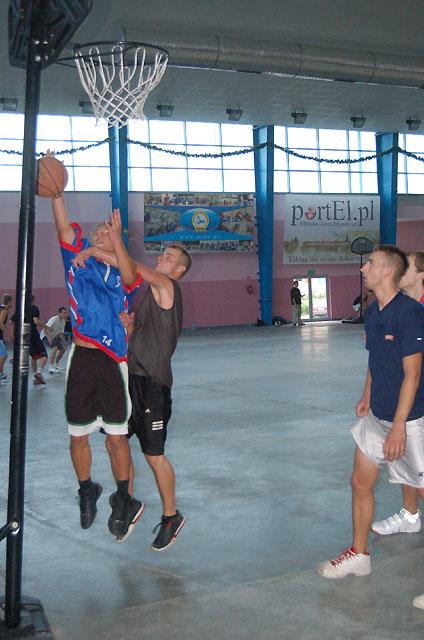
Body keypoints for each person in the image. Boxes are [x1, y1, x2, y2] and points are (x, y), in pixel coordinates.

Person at [73, 210, 191, 551]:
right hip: (130, 380)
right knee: (117, 442)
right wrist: (128, 330)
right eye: (162, 254)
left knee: (154, 455)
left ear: (179, 270)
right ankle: (128, 500)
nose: (162, 257)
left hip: (153, 386)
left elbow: (135, 270)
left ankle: (171, 516)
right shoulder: (148, 297)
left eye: (169, 257)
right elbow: (138, 338)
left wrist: (97, 249)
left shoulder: (167, 287)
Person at [318, 245, 424, 581]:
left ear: (388, 271)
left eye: (371, 263)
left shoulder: (409, 313)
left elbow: (413, 373)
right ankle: (359, 555)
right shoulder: (374, 310)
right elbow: (375, 359)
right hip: (377, 415)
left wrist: (398, 428)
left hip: (410, 422)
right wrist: (366, 395)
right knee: (360, 482)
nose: (364, 268)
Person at [51, 193, 143, 541]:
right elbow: (62, 224)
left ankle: (123, 496)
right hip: (83, 355)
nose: (103, 232)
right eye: (101, 230)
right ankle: (86, 489)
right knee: (77, 434)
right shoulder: (76, 256)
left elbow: (131, 271)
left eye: (109, 230)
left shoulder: (121, 268)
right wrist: (57, 194)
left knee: (117, 439)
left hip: (113, 358)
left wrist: (114, 243)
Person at [11, 295, 51, 386]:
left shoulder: (21, 308)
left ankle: (36, 378)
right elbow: (36, 321)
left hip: (23, 335)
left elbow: (12, 321)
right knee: (44, 355)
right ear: (33, 300)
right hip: (32, 334)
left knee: (34, 356)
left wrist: (13, 333)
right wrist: (46, 326)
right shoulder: (34, 308)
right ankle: (39, 372)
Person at [40, 306, 68, 373]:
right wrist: (49, 337)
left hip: (53, 337)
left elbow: (60, 333)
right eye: (63, 313)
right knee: (55, 346)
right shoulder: (54, 319)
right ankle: (51, 367)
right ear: (59, 313)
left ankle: (56, 365)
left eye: (65, 313)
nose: (65, 315)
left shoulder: (63, 321)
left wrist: (64, 342)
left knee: (63, 349)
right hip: (45, 336)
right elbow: (45, 328)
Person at [0, 294, 13, 385]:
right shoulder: (4, 310)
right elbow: (0, 321)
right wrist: (6, 332)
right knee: (4, 354)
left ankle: (1, 373)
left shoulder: (1, 307)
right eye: (11, 301)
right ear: (8, 301)